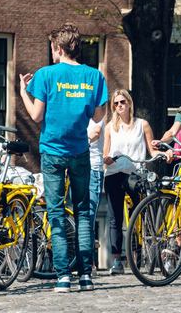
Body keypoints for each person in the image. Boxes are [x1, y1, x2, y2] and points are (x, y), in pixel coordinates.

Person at [20, 22, 108, 293]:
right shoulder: (95, 76)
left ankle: (62, 277)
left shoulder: (46, 75)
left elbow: (35, 116)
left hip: (52, 152)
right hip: (80, 151)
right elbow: (98, 116)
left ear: (58, 48)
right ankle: (85, 276)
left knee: (56, 213)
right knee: (83, 213)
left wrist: (23, 91)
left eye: (52, 49)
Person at [102, 89, 154, 275]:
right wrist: (106, 159)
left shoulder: (142, 125)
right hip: (114, 173)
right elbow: (105, 152)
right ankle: (117, 261)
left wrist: (161, 154)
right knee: (116, 218)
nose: (119, 106)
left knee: (137, 216)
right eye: (115, 104)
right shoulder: (109, 127)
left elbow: (151, 149)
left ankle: (137, 257)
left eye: (122, 102)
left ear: (130, 103)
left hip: (135, 174)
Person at [87, 116, 105, 274]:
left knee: (90, 216)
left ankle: (89, 262)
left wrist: (84, 141)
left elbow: (97, 132)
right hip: (75, 169)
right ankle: (82, 261)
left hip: (93, 169)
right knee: (79, 215)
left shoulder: (97, 118)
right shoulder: (76, 116)